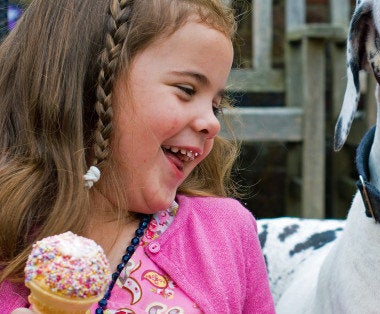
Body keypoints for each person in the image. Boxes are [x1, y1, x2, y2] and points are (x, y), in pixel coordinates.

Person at [0, 0, 275, 313]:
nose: (212, 123)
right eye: (186, 89)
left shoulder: (224, 234)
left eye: (216, 105)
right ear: (92, 82)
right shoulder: (8, 238)